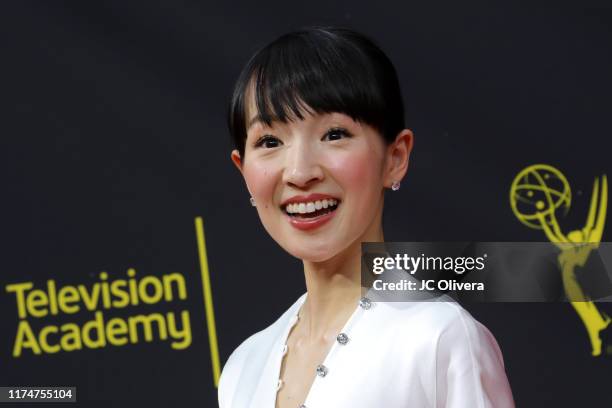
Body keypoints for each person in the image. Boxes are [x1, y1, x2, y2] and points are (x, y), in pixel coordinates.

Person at [219, 26, 515, 408]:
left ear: (395, 158)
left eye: (334, 134)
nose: (299, 172)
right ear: (243, 170)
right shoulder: (243, 368)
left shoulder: (439, 339)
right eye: (270, 142)